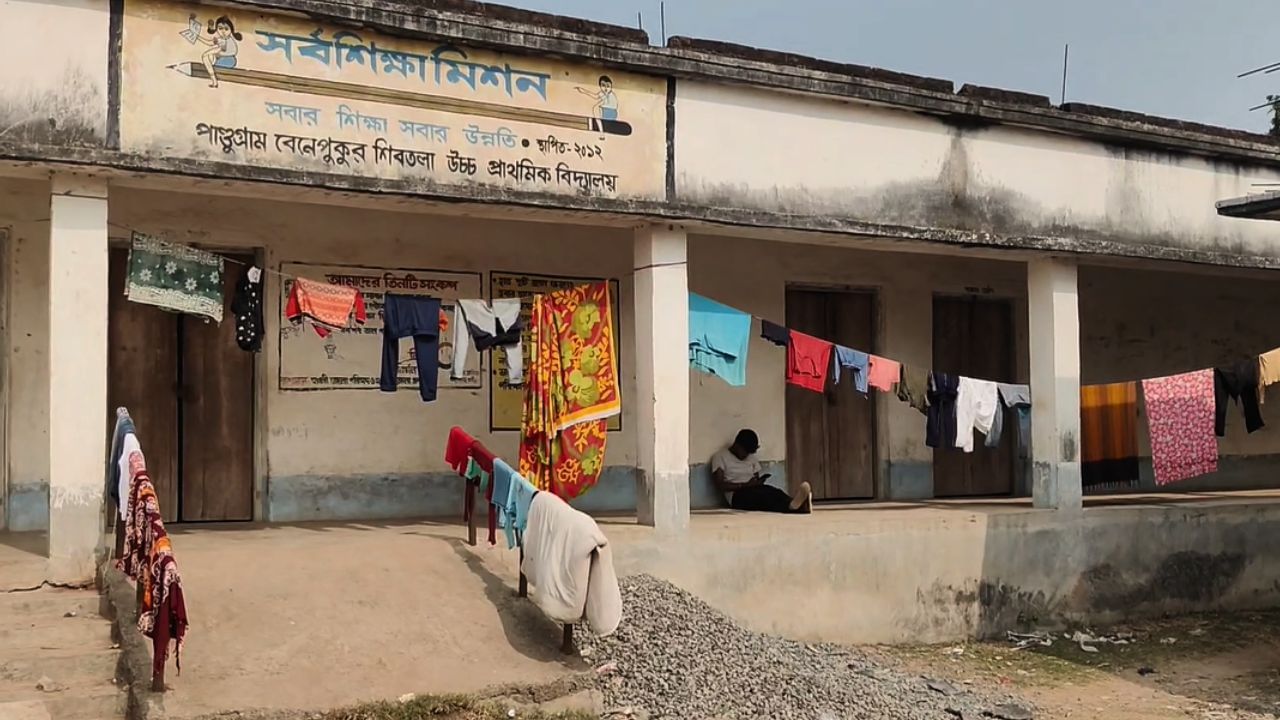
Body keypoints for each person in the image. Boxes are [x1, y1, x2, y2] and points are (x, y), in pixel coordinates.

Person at [711, 429, 812, 514]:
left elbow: (755, 477)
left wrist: (757, 482)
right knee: (762, 498)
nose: (746, 455)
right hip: (736, 495)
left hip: (753, 488)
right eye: (745, 452)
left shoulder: (751, 458)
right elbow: (720, 485)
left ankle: (794, 503)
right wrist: (745, 485)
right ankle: (794, 508)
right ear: (737, 445)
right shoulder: (720, 457)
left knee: (773, 491)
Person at [198, 15, 242, 87]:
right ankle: (213, 78)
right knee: (208, 55)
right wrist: (197, 37)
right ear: (217, 29)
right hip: (222, 59)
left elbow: (232, 51)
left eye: (226, 29)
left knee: (208, 54)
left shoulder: (226, 40)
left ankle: (214, 80)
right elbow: (209, 43)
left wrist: (220, 53)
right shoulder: (221, 40)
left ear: (231, 30)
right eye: (220, 28)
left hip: (229, 60)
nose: (223, 31)